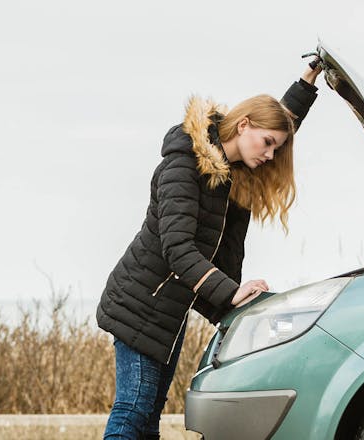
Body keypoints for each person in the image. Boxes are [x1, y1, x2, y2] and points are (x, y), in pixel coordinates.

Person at [95, 56, 323, 439]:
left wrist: (306, 83)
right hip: (139, 305)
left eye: (275, 148)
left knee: (148, 420)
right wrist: (231, 293)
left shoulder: (234, 169)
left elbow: (279, 122)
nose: (270, 155)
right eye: (267, 144)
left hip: (169, 309)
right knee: (132, 412)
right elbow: (178, 250)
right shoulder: (184, 166)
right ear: (243, 124)